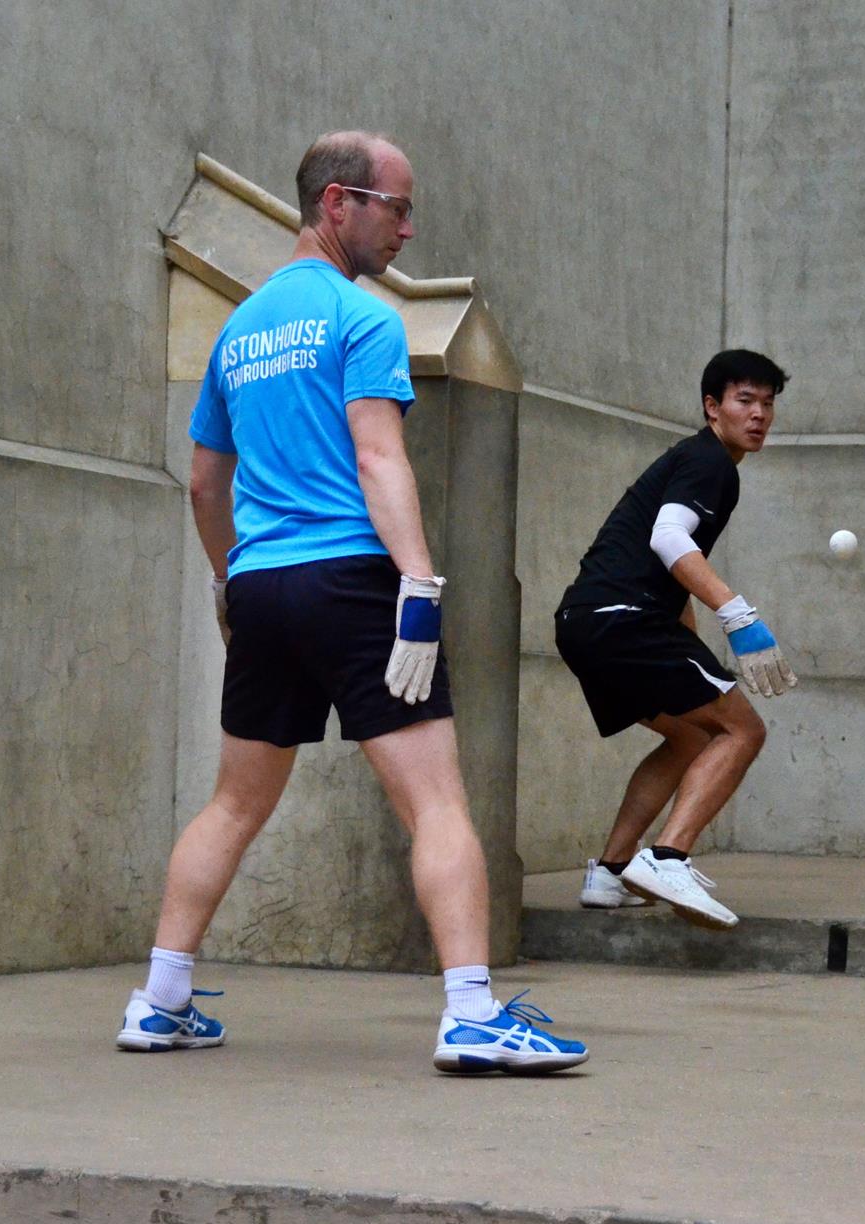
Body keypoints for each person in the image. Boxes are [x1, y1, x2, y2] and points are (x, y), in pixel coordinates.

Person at [116, 131, 588, 1075]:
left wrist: (227, 584)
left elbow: (206, 487)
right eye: (397, 207)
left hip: (261, 587)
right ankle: (470, 1013)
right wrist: (418, 583)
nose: (409, 227)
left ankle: (159, 1001)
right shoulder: (361, 319)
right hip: (352, 581)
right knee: (438, 803)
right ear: (340, 204)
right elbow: (378, 457)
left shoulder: (238, 331)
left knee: (233, 805)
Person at [554, 350, 796, 930]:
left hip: (584, 623)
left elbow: (671, 574)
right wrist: (738, 615)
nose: (759, 414)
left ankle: (610, 873)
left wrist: (696, 650)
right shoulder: (711, 463)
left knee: (691, 737)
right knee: (744, 729)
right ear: (712, 408)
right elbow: (669, 540)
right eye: (745, 400)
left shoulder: (694, 461)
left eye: (767, 403)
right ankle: (667, 858)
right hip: (624, 619)